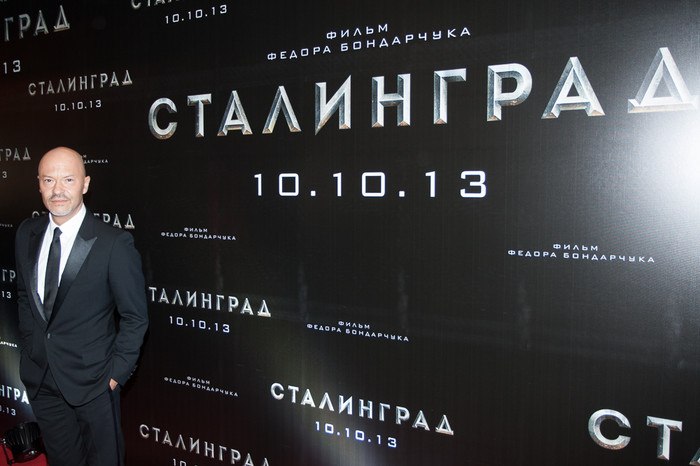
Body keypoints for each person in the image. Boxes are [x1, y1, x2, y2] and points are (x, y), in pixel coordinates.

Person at [14, 146, 149, 466]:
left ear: (85, 184)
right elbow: (23, 296)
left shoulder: (113, 243)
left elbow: (135, 317)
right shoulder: (26, 233)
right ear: (38, 184)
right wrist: (31, 349)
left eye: (68, 179)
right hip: (41, 380)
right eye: (48, 180)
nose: (57, 190)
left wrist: (114, 376)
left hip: (94, 384)